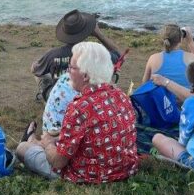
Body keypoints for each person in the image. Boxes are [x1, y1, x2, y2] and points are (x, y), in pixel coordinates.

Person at [16, 41, 138, 183]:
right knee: (55, 140)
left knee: (22, 148)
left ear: (85, 76)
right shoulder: (121, 96)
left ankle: (31, 141)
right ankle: (34, 141)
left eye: (71, 67)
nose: (68, 72)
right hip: (124, 169)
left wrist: (48, 144)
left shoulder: (78, 107)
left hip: (88, 176)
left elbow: (58, 162)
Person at [32, 9, 123, 135]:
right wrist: (99, 34)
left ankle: (47, 101)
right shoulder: (94, 55)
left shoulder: (53, 55)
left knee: (40, 73)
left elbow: (36, 70)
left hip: (59, 97)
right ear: (87, 31)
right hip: (89, 98)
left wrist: (40, 64)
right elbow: (119, 56)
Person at [142, 24, 194, 98]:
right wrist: (190, 42)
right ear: (181, 39)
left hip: (161, 105)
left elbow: (144, 84)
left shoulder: (153, 59)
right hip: (184, 104)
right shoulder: (191, 58)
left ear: (163, 39)